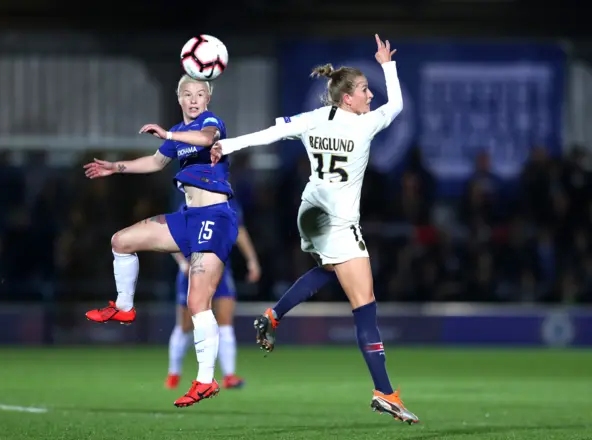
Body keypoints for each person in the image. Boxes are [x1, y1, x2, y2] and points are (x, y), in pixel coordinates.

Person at [210, 35, 419, 424]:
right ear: (347, 99)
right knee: (365, 307)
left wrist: (229, 145)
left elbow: (268, 135)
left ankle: (273, 316)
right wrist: (387, 65)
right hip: (339, 221)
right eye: (363, 90)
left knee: (328, 270)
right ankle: (385, 392)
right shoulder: (365, 125)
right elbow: (399, 104)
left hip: (310, 212)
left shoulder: (311, 120)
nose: (370, 95)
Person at [82, 74, 238, 408]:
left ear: (207, 99)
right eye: (187, 94)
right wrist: (115, 167)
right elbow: (155, 161)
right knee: (121, 241)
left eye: (200, 94)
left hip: (215, 218)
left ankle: (206, 381)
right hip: (187, 218)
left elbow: (205, 138)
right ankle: (124, 307)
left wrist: (169, 133)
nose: (194, 99)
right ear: (178, 98)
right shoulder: (177, 134)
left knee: (198, 302)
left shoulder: (211, 123)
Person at [166, 197, 261, 390]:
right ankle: (173, 374)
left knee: (225, 321)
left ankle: (229, 376)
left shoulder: (230, 202)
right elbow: (170, 235)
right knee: (185, 325)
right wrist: (182, 263)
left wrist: (252, 260)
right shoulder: (188, 202)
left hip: (219, 268)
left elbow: (239, 231)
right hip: (192, 269)